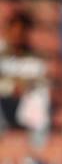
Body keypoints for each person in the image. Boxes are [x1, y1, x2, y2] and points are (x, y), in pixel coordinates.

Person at [0, 11, 50, 146]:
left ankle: (38, 145)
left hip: (24, 107)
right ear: (8, 31)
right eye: (14, 31)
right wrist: (10, 87)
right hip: (3, 106)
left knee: (39, 96)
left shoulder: (35, 60)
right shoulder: (1, 54)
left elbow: (40, 83)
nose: (17, 36)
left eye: (21, 32)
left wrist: (22, 86)